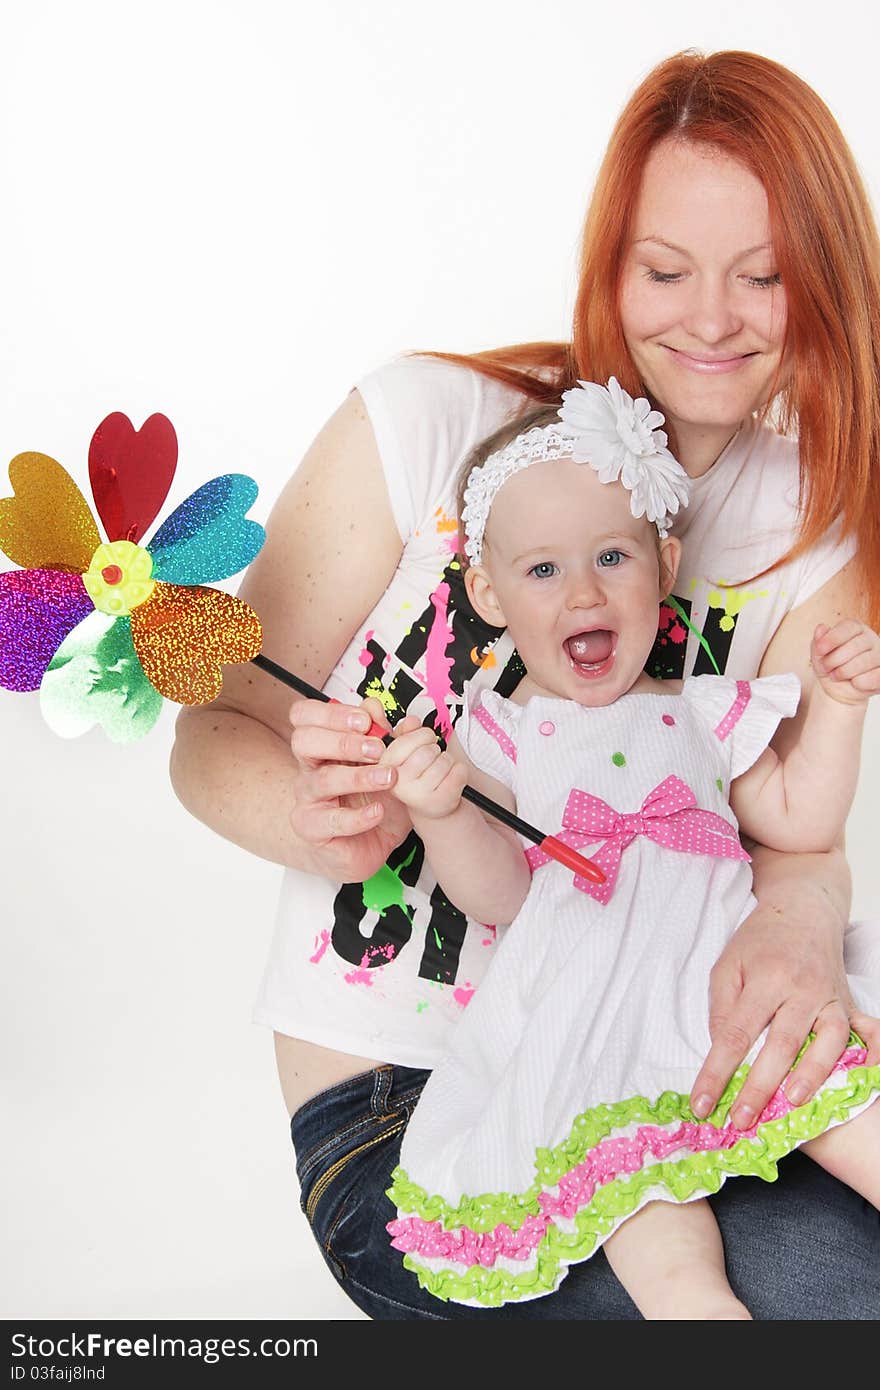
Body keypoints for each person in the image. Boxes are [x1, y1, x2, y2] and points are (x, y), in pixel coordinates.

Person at [169, 49, 880, 1319]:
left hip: (681, 1057)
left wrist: (797, 925)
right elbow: (211, 728)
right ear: (608, 263)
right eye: (664, 270)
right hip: (409, 1101)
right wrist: (318, 816)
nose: (709, 319)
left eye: (761, 276)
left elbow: (797, 833)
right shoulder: (428, 423)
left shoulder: (812, 529)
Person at [381, 384, 880, 1319]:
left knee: (848, 1108)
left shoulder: (699, 707)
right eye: (542, 571)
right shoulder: (502, 740)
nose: (583, 593)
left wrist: (842, 712)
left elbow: (799, 820)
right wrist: (441, 814)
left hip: (732, 983)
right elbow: (499, 899)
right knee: (655, 1230)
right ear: (487, 594)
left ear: (664, 562)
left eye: (613, 556)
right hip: (601, 1017)